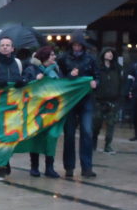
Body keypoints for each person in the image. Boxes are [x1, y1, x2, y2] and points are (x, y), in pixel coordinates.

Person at [0, 36, 27, 181]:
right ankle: (0, 167)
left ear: (13, 48)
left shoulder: (19, 64)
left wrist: (23, 82)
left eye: (8, 45)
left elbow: (27, 80)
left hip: (14, 107)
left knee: (11, 137)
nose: (5, 47)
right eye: (3, 45)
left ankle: (5, 159)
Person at [57, 31, 98, 178]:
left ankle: (87, 167)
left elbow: (97, 76)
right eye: (74, 44)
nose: (77, 47)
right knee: (69, 134)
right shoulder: (63, 59)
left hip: (86, 99)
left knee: (87, 133)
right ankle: (69, 167)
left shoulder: (91, 59)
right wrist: (69, 76)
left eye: (79, 45)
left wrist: (95, 82)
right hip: (70, 101)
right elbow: (59, 79)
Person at [23, 46, 61, 178]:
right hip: (36, 110)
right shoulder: (31, 69)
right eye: (52, 55)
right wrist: (35, 80)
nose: (54, 57)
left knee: (51, 137)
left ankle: (49, 167)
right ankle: (34, 167)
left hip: (52, 110)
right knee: (36, 137)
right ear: (45, 57)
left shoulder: (56, 69)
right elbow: (25, 87)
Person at [93, 47, 123, 155]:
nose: (110, 54)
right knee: (96, 124)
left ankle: (108, 145)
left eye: (111, 53)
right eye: (108, 52)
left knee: (111, 124)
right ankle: (93, 144)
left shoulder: (117, 68)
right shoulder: (98, 68)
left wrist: (120, 97)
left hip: (113, 101)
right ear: (103, 54)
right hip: (99, 101)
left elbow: (121, 82)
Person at [129, 61, 137, 141]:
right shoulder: (134, 66)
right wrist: (129, 91)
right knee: (135, 115)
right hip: (135, 93)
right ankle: (136, 134)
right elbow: (130, 79)